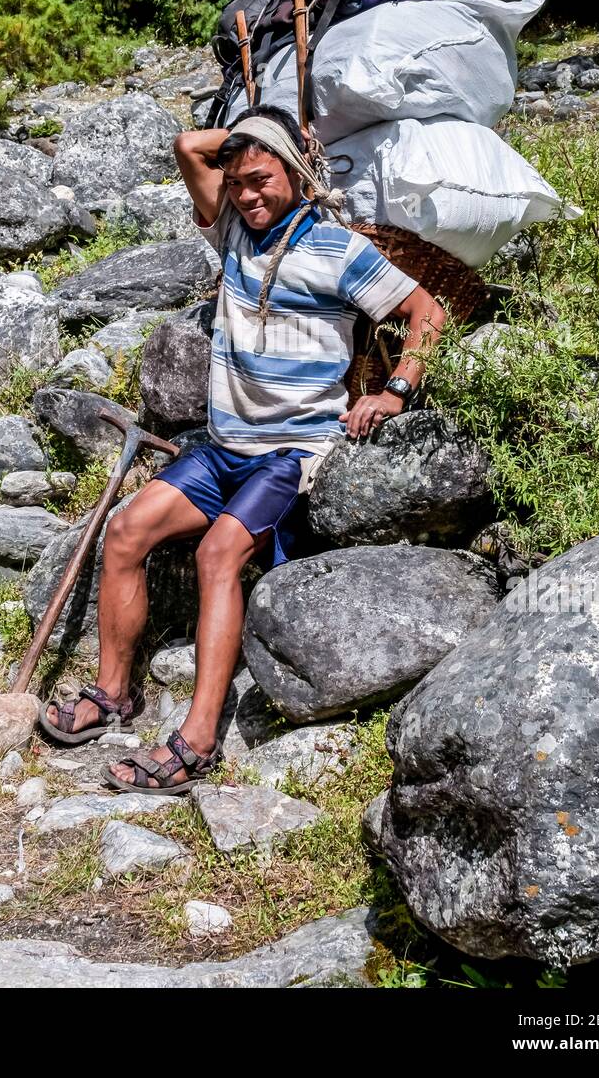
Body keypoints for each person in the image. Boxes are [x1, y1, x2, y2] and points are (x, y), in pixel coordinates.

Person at [41, 106, 445, 793]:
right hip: (225, 448)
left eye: (262, 179)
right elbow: (184, 145)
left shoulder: (339, 250)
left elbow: (426, 311)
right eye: (238, 185)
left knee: (217, 552)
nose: (250, 196)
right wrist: (250, 139)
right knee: (126, 531)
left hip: (292, 452)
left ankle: (198, 740)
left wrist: (395, 390)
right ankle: (114, 695)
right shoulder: (232, 232)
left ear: (292, 172)